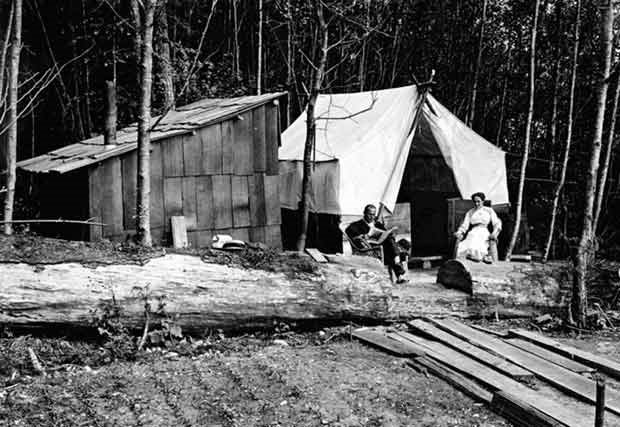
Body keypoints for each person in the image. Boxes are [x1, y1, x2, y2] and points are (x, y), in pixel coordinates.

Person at [345, 204, 408, 283]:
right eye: (370, 214)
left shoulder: (377, 224)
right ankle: (398, 267)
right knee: (392, 248)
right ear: (364, 213)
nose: (372, 217)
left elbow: (385, 233)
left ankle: (397, 264)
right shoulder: (357, 225)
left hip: (382, 246)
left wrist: (390, 233)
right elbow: (349, 232)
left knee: (391, 239)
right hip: (370, 248)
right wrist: (364, 236)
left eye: (374, 215)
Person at [454, 192, 502, 263]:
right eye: (475, 202)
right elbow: (465, 225)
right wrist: (459, 232)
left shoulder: (489, 210)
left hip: (483, 232)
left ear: (483, 201)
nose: (477, 204)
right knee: (465, 244)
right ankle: (471, 259)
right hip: (473, 232)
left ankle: (480, 257)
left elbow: (497, 223)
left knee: (479, 243)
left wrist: (494, 233)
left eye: (478, 201)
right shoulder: (470, 212)